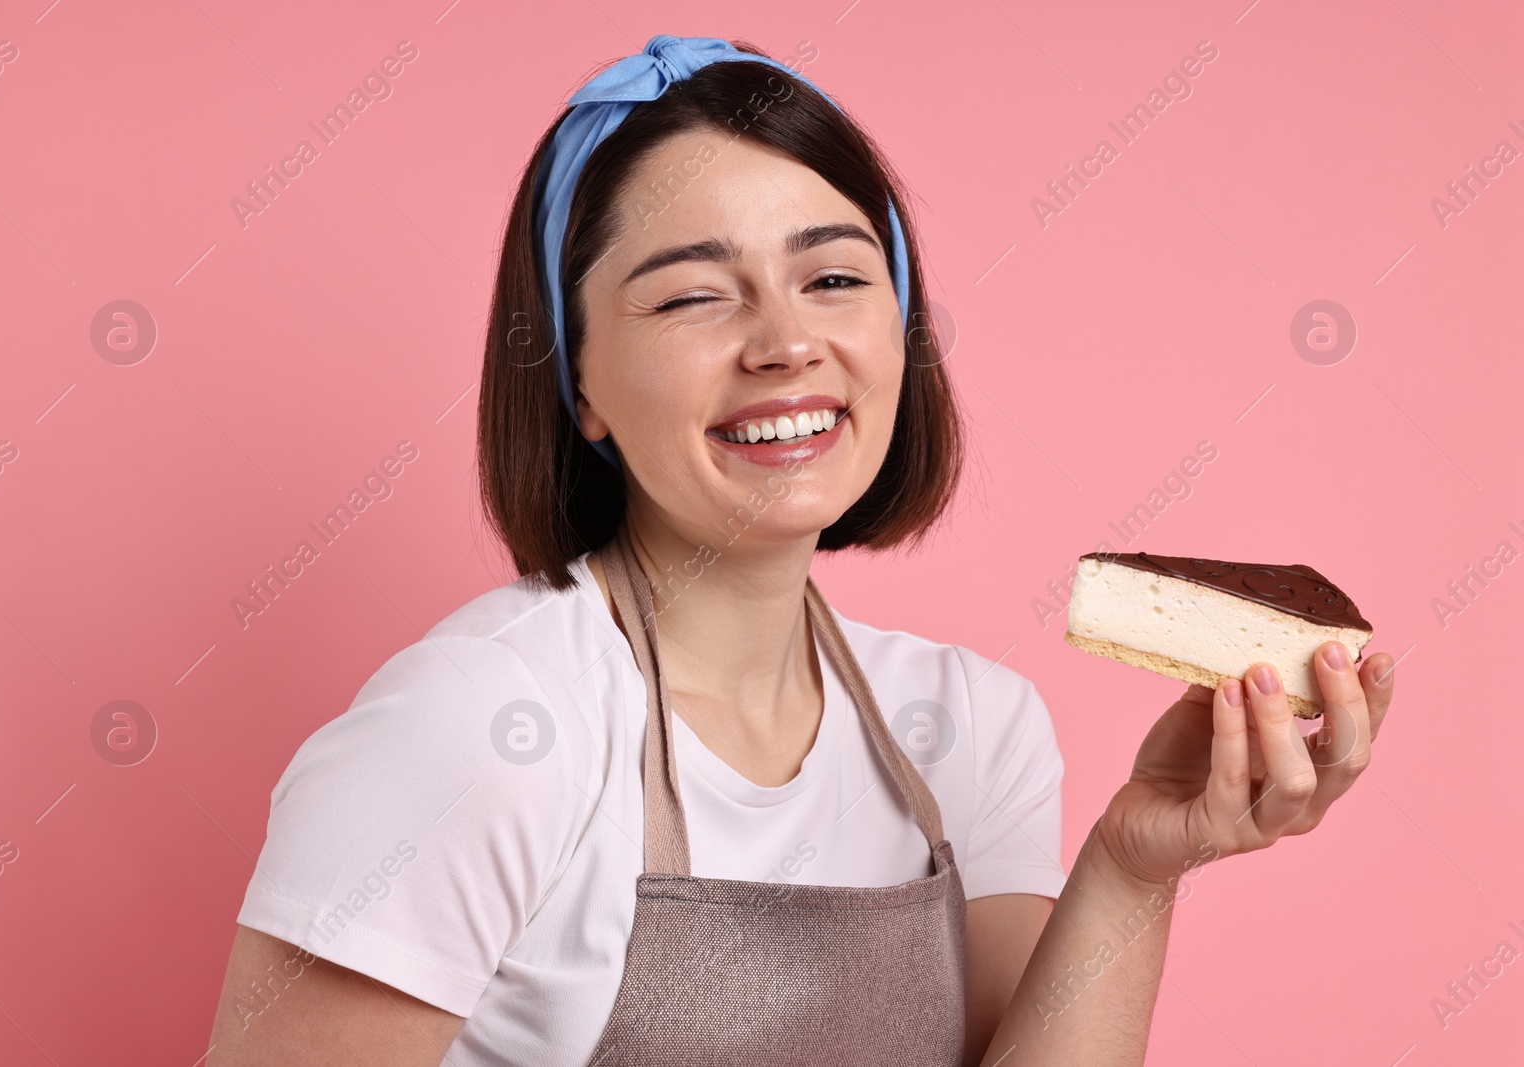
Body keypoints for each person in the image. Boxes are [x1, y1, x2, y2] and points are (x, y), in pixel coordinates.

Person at [206, 35, 1396, 1067]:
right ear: (578, 384)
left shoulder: (971, 726)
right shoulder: (482, 726)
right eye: (690, 297)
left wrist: (1137, 865)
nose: (785, 342)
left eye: (832, 276)